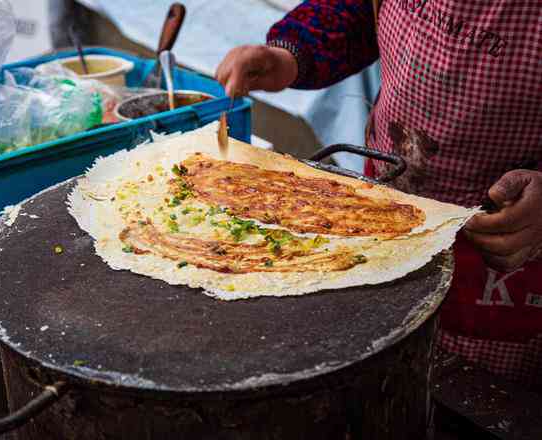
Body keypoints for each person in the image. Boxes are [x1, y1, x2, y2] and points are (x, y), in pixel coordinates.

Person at [216, 0, 542, 387]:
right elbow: (356, 11)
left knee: (470, 395)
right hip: (387, 205)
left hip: (508, 239)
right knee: (378, 371)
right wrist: (288, 56)